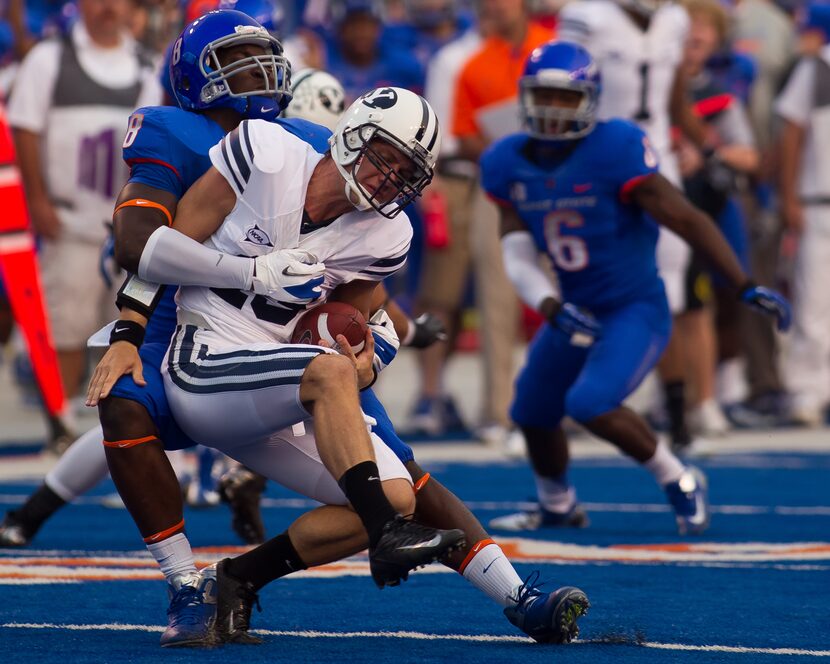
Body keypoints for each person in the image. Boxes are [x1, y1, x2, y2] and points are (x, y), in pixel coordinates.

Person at [482, 41, 790, 535]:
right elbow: (516, 249)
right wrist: (549, 304)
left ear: (590, 100)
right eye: (543, 95)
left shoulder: (615, 147)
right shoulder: (505, 161)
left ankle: (680, 477)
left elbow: (686, 219)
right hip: (575, 307)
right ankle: (558, 504)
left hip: (633, 306)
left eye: (565, 98)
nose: (551, 109)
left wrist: (742, 283)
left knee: (589, 403)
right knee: (531, 409)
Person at [7, 0, 160, 452]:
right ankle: (59, 424)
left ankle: (114, 432)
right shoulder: (48, 58)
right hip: (67, 218)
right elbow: (24, 129)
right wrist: (35, 198)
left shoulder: (144, 64)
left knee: (123, 329)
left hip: (122, 225)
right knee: (64, 327)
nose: (108, 7)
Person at [558, 0, 709, 449]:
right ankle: (566, 404)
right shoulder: (587, 15)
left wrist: (711, 150)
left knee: (672, 289)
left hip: (655, 159)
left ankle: (679, 416)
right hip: (595, 164)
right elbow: (558, 91)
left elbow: (676, 99)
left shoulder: (675, 20)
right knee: (583, 284)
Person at [777, 3, 830, 426]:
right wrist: (790, 196)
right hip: (818, 200)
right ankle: (808, 391)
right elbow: (792, 134)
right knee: (813, 301)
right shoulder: (814, 70)